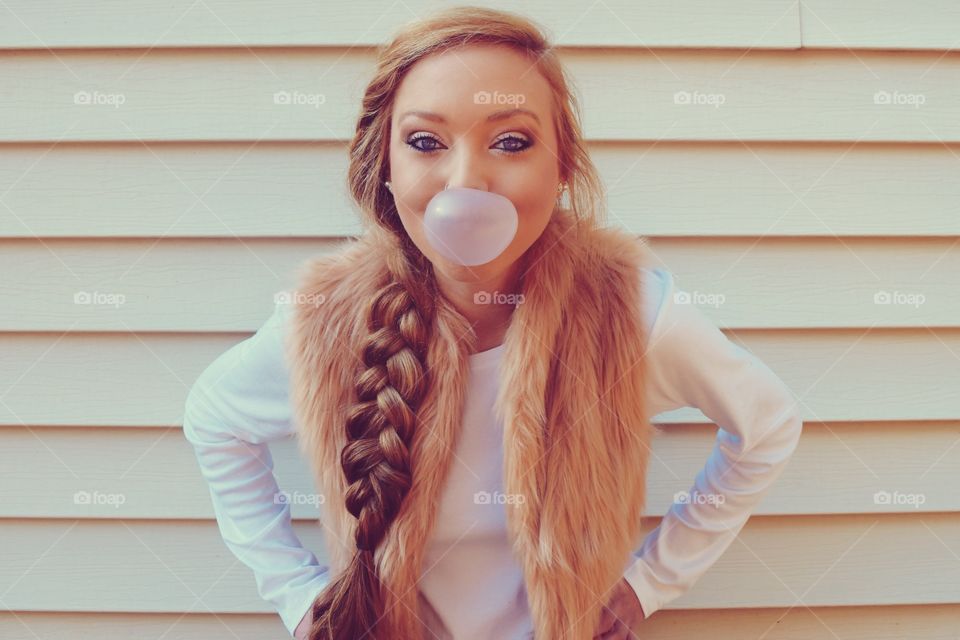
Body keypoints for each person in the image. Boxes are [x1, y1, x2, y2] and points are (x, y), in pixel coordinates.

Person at [183, 6, 803, 640]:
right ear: (387, 168)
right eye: (425, 142)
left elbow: (767, 427)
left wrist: (650, 585)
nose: (467, 181)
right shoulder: (326, 325)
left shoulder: (629, 314)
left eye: (510, 142)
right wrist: (295, 591)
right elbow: (213, 419)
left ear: (562, 167)